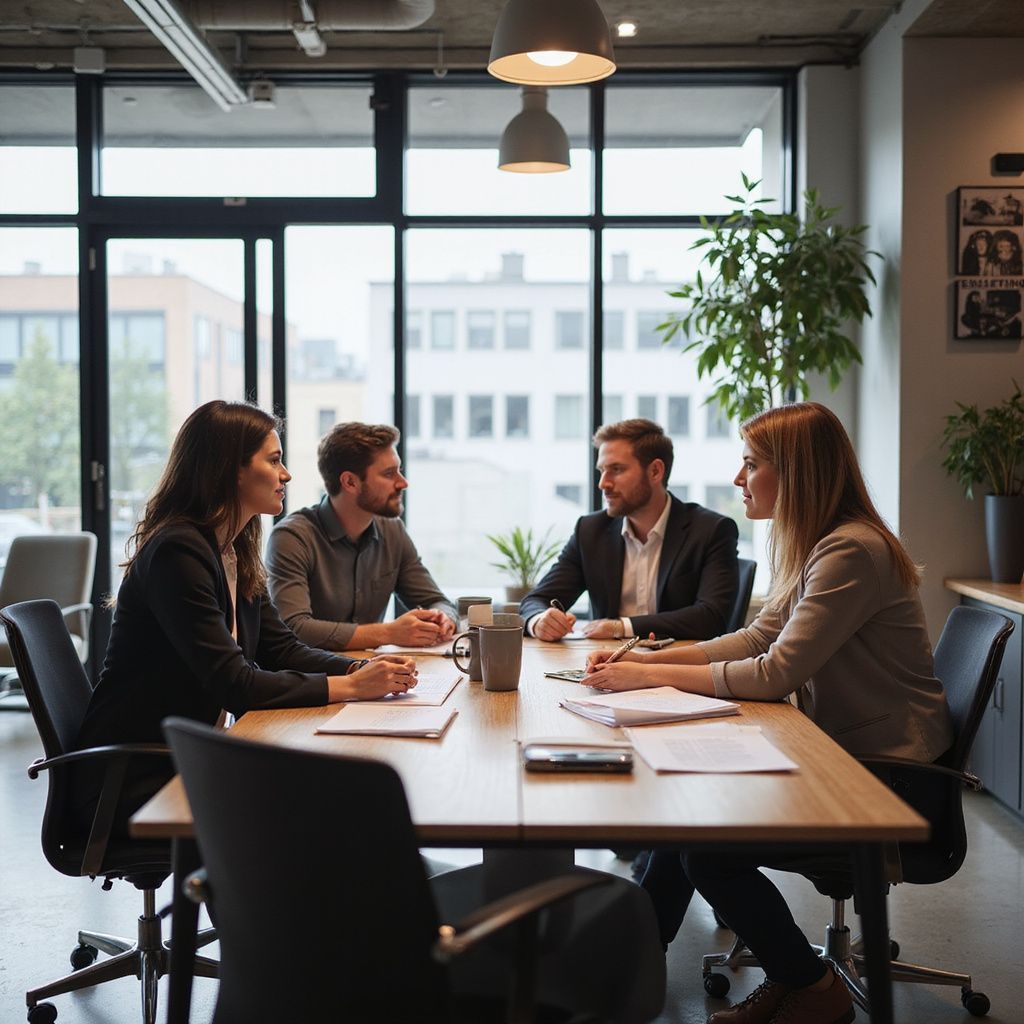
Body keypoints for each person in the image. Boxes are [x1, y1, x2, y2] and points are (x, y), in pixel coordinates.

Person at [586, 402, 954, 1024]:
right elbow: (760, 638)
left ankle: (810, 985)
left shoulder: (851, 553)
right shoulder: (822, 544)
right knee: (683, 813)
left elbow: (777, 672)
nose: (738, 478)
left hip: (887, 778)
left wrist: (647, 672)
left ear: (797, 473)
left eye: (751, 464)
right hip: (842, 756)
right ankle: (636, 965)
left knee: (706, 847)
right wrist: (653, 667)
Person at [72, 401, 418, 832]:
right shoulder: (177, 552)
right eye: (274, 461)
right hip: (134, 779)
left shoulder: (231, 549)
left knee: (337, 793)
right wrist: (350, 685)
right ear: (230, 470)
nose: (286, 475)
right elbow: (234, 684)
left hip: (193, 754)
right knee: (328, 803)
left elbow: (281, 648)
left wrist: (362, 668)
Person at [519, 418, 739, 642]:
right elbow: (535, 601)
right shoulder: (591, 530)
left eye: (616, 469)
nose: (603, 483)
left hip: (679, 667)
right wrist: (540, 621)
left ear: (655, 471)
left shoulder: (711, 530)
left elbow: (711, 617)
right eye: (602, 471)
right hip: (605, 665)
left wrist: (621, 627)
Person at [267, 422, 457, 651]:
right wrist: (388, 633)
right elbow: (294, 628)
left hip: (374, 675)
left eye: (399, 470)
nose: (402, 483)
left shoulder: (392, 531)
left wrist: (443, 618)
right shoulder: (292, 538)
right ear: (350, 482)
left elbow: (437, 601)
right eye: (389, 474)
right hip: (315, 681)